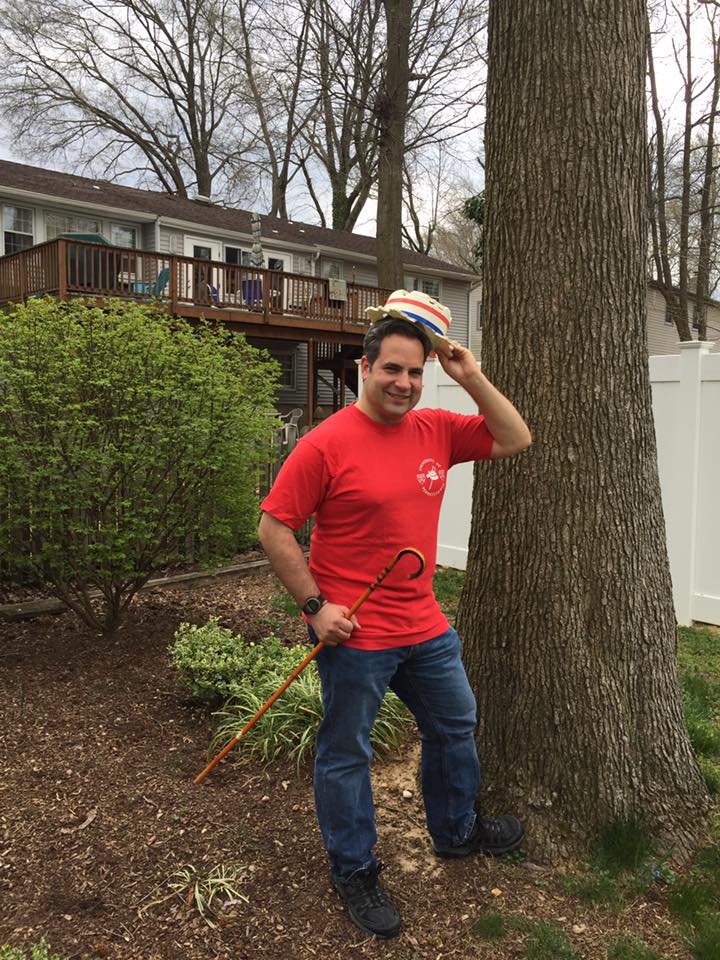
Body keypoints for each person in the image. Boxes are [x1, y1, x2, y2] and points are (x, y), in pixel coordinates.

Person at [258, 289, 532, 940]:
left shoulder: (436, 427)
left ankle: (455, 830)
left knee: (456, 723)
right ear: (366, 367)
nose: (406, 382)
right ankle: (354, 868)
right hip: (354, 634)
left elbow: (516, 436)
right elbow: (274, 527)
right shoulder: (326, 445)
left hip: (424, 622)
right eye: (393, 369)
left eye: (416, 371)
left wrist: (470, 376)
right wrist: (316, 608)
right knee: (346, 752)